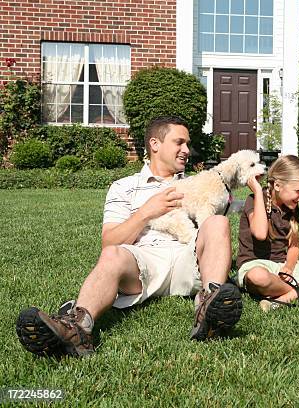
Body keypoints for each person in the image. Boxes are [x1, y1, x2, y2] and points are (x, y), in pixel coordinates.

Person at [16, 116, 242, 357]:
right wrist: (146, 212)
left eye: (187, 144)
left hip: (188, 259)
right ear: (155, 144)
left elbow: (219, 225)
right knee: (112, 253)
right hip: (143, 262)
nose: (187, 150)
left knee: (218, 222)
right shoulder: (124, 186)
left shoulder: (198, 184)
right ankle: (76, 328)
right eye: (179, 143)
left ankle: (210, 306)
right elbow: (109, 241)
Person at [236, 155, 299, 311]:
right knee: (258, 277)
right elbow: (260, 233)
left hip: (284, 268)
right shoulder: (255, 200)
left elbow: (294, 246)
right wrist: (258, 191)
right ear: (277, 186)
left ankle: (287, 295)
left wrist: (290, 267)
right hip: (257, 265)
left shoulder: (290, 207)